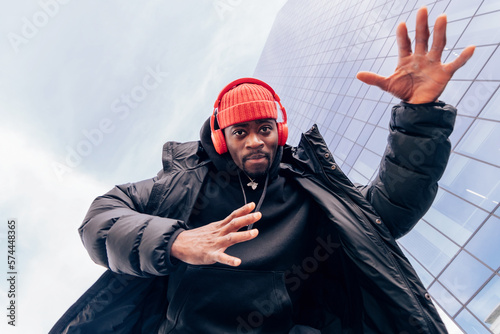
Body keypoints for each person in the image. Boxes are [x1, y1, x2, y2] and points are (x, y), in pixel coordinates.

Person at [51, 7, 475, 334]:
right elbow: (101, 219)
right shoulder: (180, 185)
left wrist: (419, 116)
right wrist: (176, 241)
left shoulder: (312, 189)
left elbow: (385, 214)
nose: (255, 140)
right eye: (241, 131)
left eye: (264, 128)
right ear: (221, 138)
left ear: (280, 130)